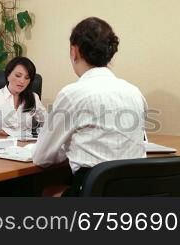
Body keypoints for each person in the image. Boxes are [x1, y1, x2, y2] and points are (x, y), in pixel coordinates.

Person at [32, 17, 147, 196]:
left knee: (47, 191)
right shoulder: (135, 93)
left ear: (74, 51)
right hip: (132, 196)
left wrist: (66, 148)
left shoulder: (72, 94)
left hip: (92, 194)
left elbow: (42, 157)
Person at [0, 56, 47, 137]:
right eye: (18, 76)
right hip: (1, 146)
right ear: (8, 75)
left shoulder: (34, 97)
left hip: (27, 146)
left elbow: (50, 123)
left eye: (27, 78)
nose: (22, 81)